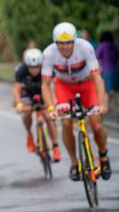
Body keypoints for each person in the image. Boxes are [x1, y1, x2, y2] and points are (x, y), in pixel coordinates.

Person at [41, 22, 111, 181]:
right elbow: (45, 85)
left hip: (88, 85)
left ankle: (103, 156)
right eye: (60, 43)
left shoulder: (85, 48)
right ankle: (74, 163)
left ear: (74, 41)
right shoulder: (48, 53)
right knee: (66, 123)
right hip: (64, 87)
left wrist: (101, 105)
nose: (65, 47)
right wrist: (51, 107)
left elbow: (98, 79)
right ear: (55, 42)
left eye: (68, 43)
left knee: (97, 125)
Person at [13, 48, 60, 161]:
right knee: (27, 112)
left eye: (37, 67)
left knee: (48, 116)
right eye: (31, 67)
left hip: (43, 91)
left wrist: (55, 101)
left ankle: (55, 146)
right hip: (27, 92)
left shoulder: (47, 67)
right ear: (26, 65)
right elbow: (16, 88)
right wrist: (19, 104)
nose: (34, 70)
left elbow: (56, 85)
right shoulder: (21, 69)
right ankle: (29, 135)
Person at [96, 31, 119, 108]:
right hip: (116, 69)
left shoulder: (102, 46)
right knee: (116, 90)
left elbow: (97, 57)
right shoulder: (114, 46)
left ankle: (106, 107)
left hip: (106, 70)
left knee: (106, 90)